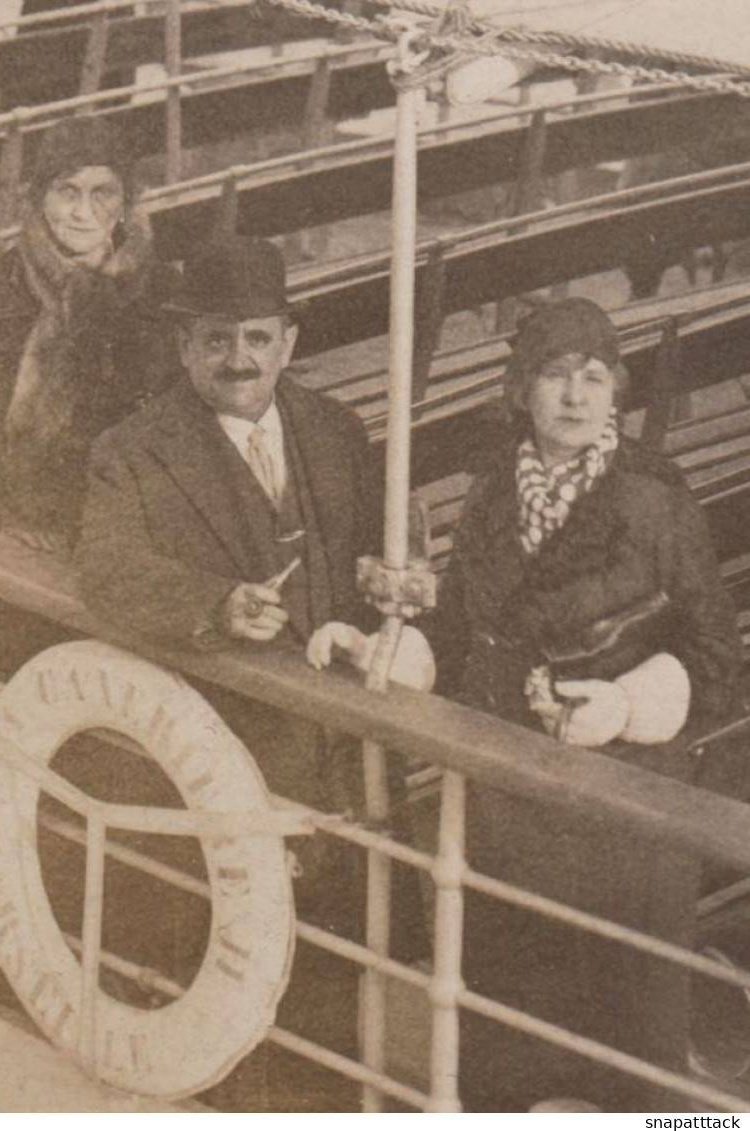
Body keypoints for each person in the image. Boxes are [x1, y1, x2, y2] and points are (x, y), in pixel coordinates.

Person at [309, 297, 743, 1111]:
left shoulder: (655, 500)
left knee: (630, 1062)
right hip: (508, 810)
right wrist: (391, 651)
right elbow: (469, 623)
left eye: (592, 377)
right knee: (504, 1038)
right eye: (554, 377)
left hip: (623, 819)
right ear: (521, 392)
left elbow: (719, 662)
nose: (575, 397)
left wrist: (624, 701)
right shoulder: (493, 494)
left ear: (616, 390)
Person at [77, 237, 428, 1110]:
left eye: (259, 338)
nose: (241, 359)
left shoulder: (336, 430)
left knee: (334, 976)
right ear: (184, 346)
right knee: (224, 984)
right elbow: (108, 572)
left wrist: (394, 577)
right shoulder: (133, 451)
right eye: (218, 340)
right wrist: (216, 603)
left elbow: (378, 554)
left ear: (289, 343)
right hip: (219, 763)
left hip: (336, 761)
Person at [0, 115, 177, 549]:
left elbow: (172, 438)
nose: (83, 213)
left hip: (108, 536)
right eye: (66, 191)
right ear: (40, 198)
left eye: (102, 193)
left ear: (127, 203)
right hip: (2, 526)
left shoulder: (162, 296)